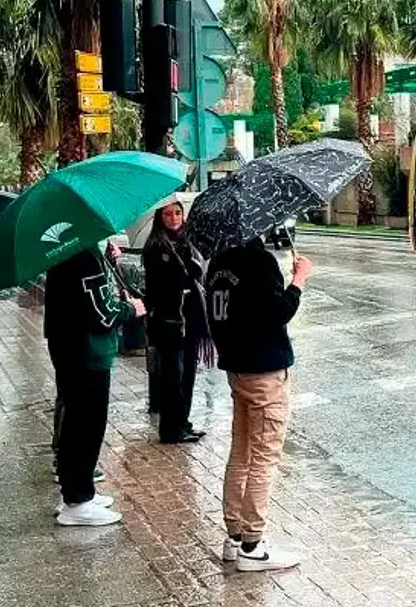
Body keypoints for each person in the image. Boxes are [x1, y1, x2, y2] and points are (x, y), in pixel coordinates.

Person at [207, 234, 311, 572]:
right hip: (265, 371)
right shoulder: (259, 261)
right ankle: (253, 544)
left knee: (242, 451)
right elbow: (277, 312)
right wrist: (298, 279)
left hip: (237, 368)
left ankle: (234, 537)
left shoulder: (219, 263)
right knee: (264, 456)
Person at [45, 241, 145, 527]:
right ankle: (78, 499)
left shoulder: (74, 251)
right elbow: (101, 312)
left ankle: (76, 490)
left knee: (79, 420)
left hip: (71, 347)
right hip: (85, 351)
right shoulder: (81, 257)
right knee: (86, 423)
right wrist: (130, 309)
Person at [142, 202, 210, 444]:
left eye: (178, 213)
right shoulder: (156, 247)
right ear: (160, 218)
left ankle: (183, 421)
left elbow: (199, 273)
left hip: (191, 318)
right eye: (168, 214)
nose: (174, 218)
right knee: (174, 376)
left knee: (189, 373)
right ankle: (171, 429)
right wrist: (183, 272)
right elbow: (159, 287)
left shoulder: (188, 241)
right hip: (170, 321)